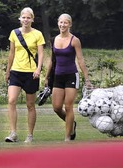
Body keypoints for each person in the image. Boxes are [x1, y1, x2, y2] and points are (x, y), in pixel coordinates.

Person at [45, 13, 92, 142]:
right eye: (61, 22)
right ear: (58, 23)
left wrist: (86, 79)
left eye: (65, 23)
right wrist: (46, 77)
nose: (62, 25)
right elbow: (51, 60)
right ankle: (71, 123)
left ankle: (67, 137)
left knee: (68, 106)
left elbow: (81, 60)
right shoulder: (54, 39)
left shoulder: (74, 40)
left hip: (71, 75)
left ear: (69, 24)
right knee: (56, 107)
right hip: (57, 77)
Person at [4, 7, 45, 143]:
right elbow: (11, 53)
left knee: (30, 105)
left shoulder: (38, 34)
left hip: (31, 73)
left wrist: (38, 69)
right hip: (16, 71)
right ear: (20, 19)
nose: (26, 20)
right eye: (24, 17)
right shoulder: (14, 33)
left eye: (28, 17)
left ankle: (30, 134)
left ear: (32, 19)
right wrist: (8, 70)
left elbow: (41, 54)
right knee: (11, 100)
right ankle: (13, 133)